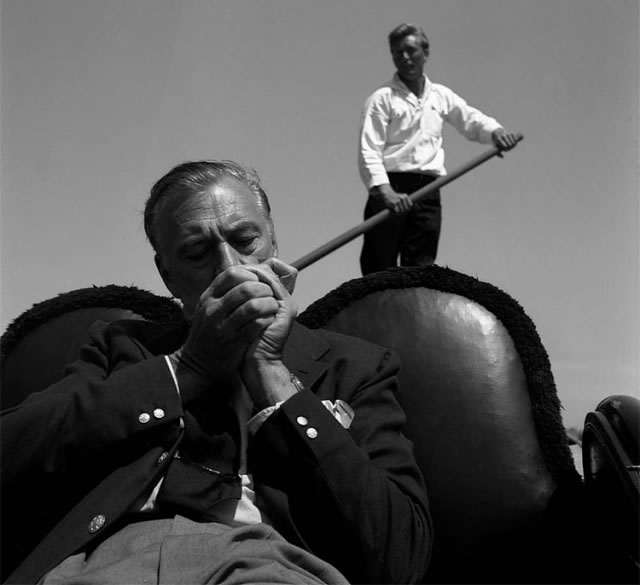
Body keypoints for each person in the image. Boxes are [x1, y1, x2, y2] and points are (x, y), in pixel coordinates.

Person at [1, 160, 432, 584]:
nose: (229, 267)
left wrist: (273, 376)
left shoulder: (354, 366)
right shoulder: (122, 348)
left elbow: (398, 559)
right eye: (196, 253)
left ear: (273, 243)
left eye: (245, 239)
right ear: (167, 275)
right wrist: (186, 368)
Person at [358, 23, 520, 275]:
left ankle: (414, 313)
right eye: (397, 52)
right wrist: (386, 192)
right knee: (378, 268)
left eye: (411, 50)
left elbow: (470, 119)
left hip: (428, 189)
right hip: (390, 188)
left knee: (420, 268)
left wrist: (496, 133)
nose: (404, 57)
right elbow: (369, 149)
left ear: (426, 53)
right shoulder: (382, 98)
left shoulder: (440, 96)